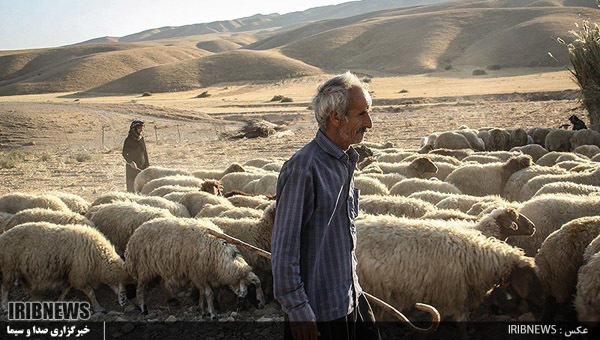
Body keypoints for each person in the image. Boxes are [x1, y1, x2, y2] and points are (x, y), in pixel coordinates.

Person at [271, 72, 381, 340]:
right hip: (319, 315)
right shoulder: (304, 168)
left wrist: (355, 289)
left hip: (349, 299)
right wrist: (298, 311)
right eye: (362, 114)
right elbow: (284, 249)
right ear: (336, 117)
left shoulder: (345, 162)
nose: (369, 123)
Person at [122, 120, 149, 192]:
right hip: (132, 168)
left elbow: (145, 153)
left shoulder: (141, 139)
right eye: (139, 128)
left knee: (142, 187)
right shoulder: (128, 140)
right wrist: (130, 162)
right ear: (134, 129)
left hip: (142, 167)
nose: (141, 130)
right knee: (132, 188)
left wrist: (148, 166)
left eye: (141, 128)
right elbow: (124, 153)